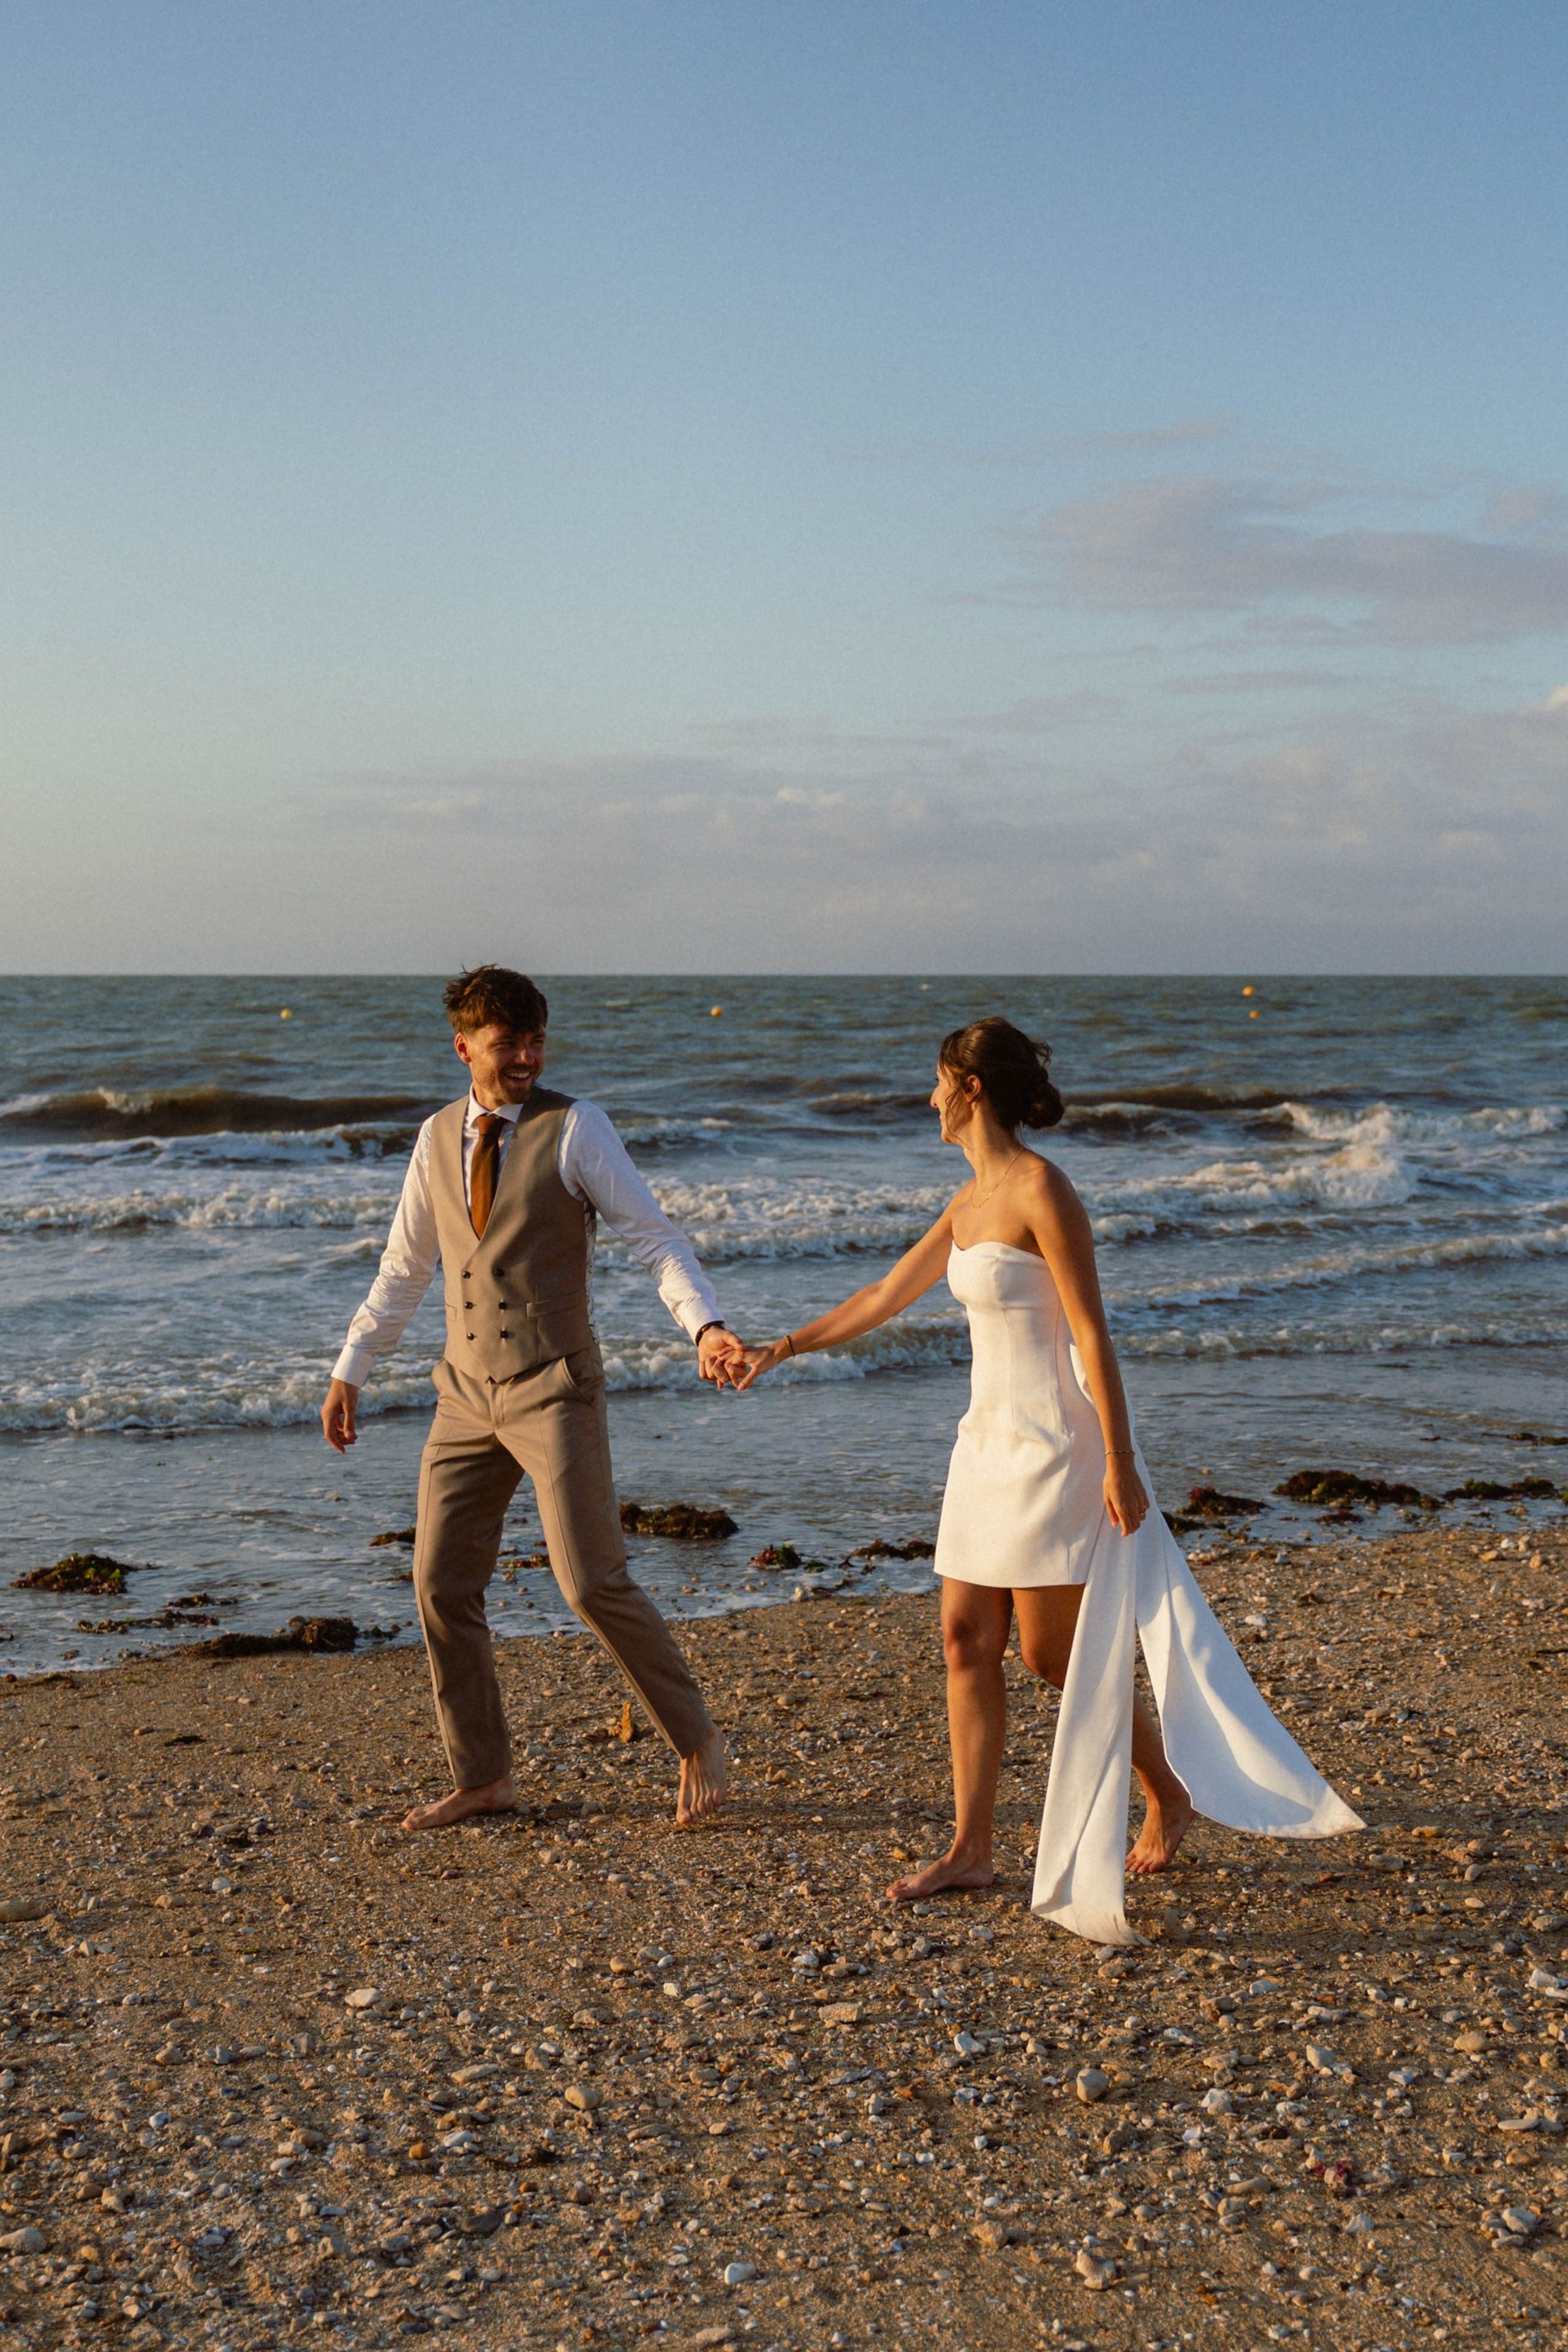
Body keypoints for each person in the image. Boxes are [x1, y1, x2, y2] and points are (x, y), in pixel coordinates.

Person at [739, 1016, 1361, 1945]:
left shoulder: (1041, 1189)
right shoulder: (966, 1201)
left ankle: (1169, 1789)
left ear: (972, 1088)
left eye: (937, 1082)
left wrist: (1118, 1458)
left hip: (1055, 1445)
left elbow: (1091, 1331)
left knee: (1047, 1655)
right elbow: (883, 1296)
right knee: (962, 1637)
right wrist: (779, 1348)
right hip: (984, 1445)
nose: (929, 1099)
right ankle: (971, 1846)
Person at [321, 965, 745, 1832]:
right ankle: (484, 1777)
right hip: (464, 1396)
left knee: (592, 1581)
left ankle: (697, 1736)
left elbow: (655, 1242)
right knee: (439, 1583)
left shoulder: (577, 1128)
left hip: (554, 1388)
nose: (524, 1057)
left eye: (535, 1040)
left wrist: (705, 1327)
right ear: (464, 1045)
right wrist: (351, 1366)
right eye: (507, 1042)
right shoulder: (437, 1136)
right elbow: (405, 1270)